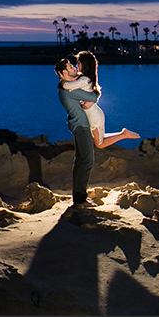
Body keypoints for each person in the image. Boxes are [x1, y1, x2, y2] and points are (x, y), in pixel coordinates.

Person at [62, 51, 140, 149]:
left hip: (94, 116)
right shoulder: (85, 78)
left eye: (78, 63)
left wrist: (63, 78)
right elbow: (98, 91)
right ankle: (123, 133)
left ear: (84, 64)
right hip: (92, 114)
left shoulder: (84, 80)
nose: (76, 65)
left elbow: (66, 86)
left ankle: (123, 134)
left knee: (100, 144)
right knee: (98, 140)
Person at [55, 57, 100, 206]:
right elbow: (93, 96)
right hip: (81, 126)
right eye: (70, 67)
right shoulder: (70, 90)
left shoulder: (66, 86)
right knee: (87, 161)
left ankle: (78, 198)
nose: (74, 67)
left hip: (77, 125)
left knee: (80, 161)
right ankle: (80, 199)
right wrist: (96, 94)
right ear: (63, 72)